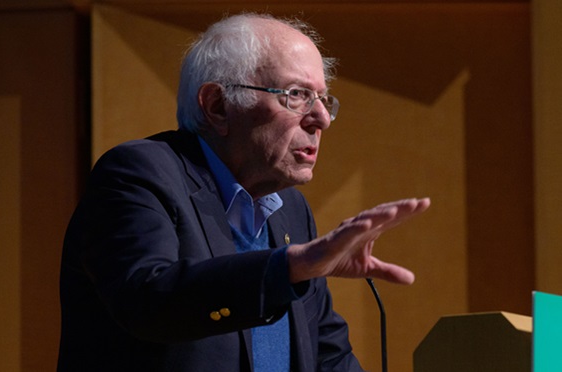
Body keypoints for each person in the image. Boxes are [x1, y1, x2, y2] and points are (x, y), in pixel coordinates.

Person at [57, 12, 430, 372]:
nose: (322, 118)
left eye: (322, 98)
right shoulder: (140, 174)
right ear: (218, 106)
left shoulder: (289, 211)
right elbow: (148, 301)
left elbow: (328, 356)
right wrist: (290, 267)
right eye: (297, 95)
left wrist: (295, 266)